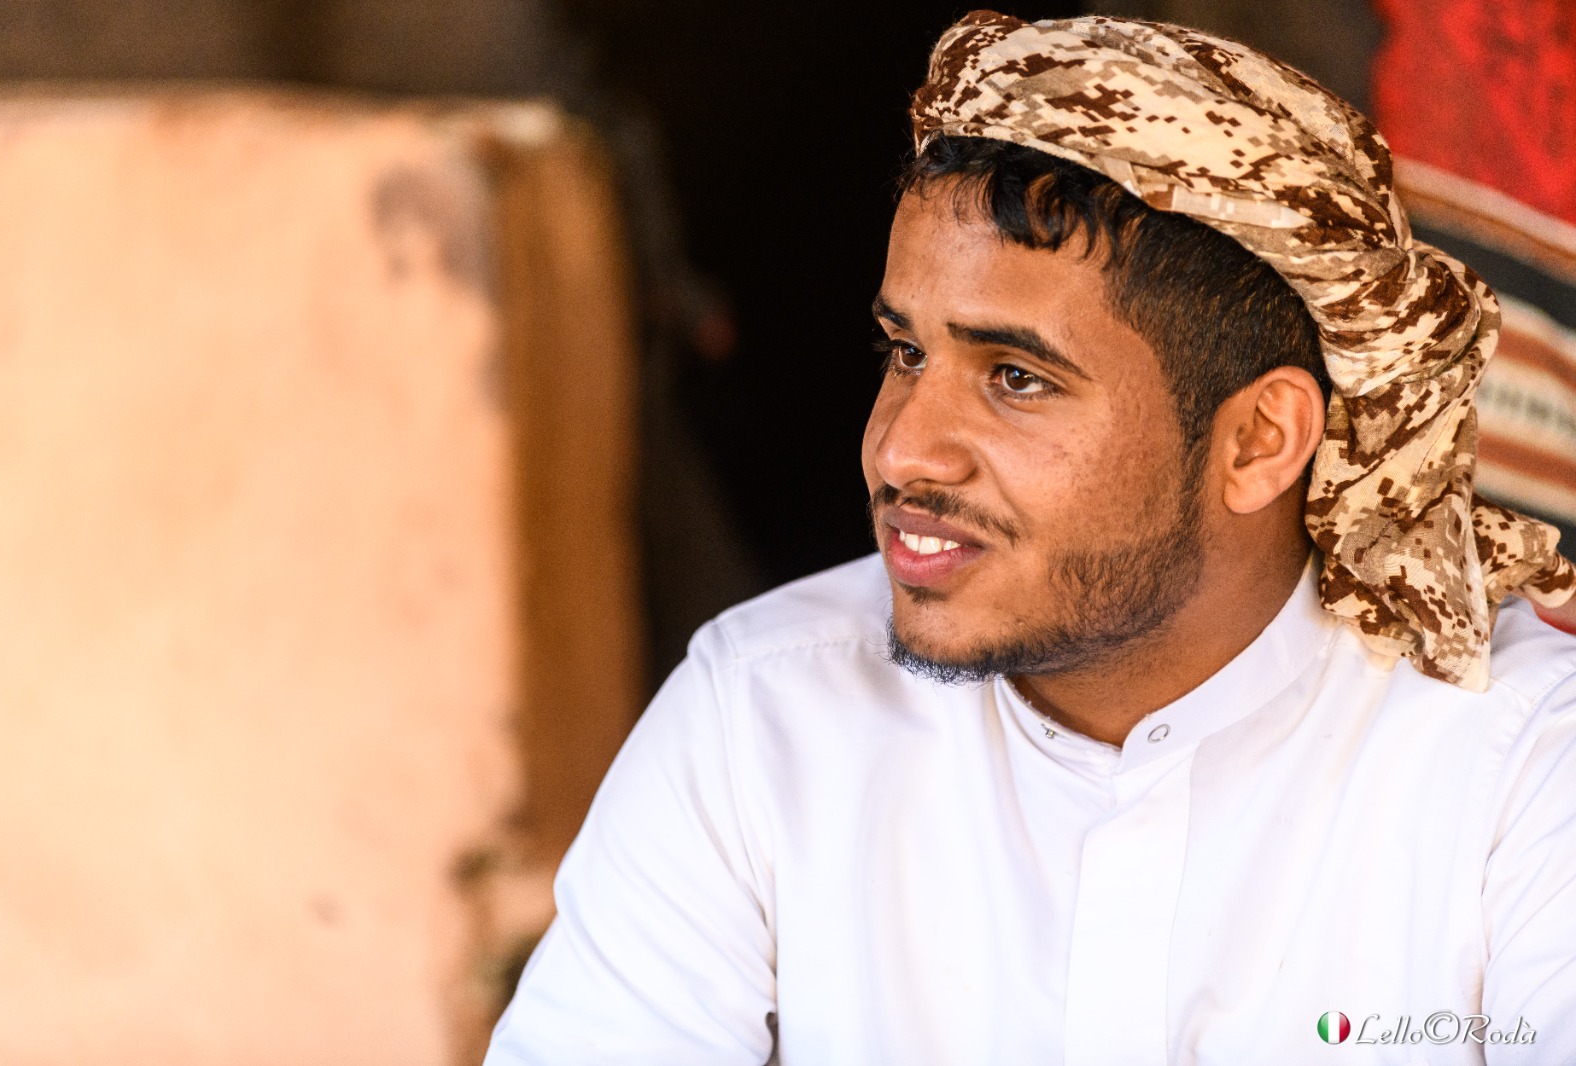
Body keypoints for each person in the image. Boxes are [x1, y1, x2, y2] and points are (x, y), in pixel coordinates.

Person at [485, 12, 1576, 1064]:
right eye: (905, 353)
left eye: (1015, 378)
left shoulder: (1517, 761)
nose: (902, 451)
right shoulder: (760, 713)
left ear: (1257, 440)